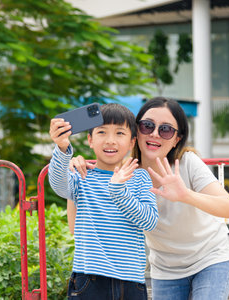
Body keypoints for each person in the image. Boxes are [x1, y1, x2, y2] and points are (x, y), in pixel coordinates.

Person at [68, 97, 229, 300]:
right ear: (136, 132)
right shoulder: (122, 174)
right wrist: (74, 176)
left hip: (211, 257)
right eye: (147, 126)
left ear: (176, 138)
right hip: (166, 267)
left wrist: (185, 195)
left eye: (165, 129)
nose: (155, 134)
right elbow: (76, 227)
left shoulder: (186, 163)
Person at [48, 103, 159, 300]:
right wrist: (62, 148)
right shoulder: (81, 176)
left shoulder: (140, 177)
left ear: (132, 142)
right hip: (89, 280)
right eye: (101, 132)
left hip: (130, 282)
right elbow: (58, 184)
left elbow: (149, 221)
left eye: (119, 133)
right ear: (90, 140)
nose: (110, 141)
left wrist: (119, 192)